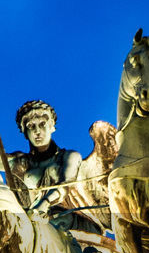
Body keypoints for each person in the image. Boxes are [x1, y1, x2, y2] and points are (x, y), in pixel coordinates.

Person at [6, 100, 105, 235]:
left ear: (52, 127)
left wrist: (44, 204)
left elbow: (65, 184)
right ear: (24, 132)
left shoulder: (69, 156)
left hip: (72, 221)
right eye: (31, 126)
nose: (37, 131)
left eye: (42, 124)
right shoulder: (20, 162)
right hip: (36, 223)